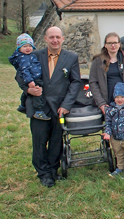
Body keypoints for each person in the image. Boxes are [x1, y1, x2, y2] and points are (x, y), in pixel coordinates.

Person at [16, 26, 82, 187]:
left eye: (58, 37)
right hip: (39, 106)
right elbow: (20, 74)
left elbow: (75, 82)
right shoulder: (34, 56)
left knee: (56, 141)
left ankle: (53, 170)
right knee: (39, 141)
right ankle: (43, 173)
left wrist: (67, 104)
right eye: (51, 37)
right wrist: (28, 89)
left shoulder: (71, 57)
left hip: (59, 108)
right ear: (45, 39)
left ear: (63, 39)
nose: (55, 40)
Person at [89, 32, 124, 114]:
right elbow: (93, 83)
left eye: (115, 43)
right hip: (106, 100)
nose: (113, 45)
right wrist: (101, 103)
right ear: (105, 45)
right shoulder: (97, 61)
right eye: (110, 43)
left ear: (119, 44)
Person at [9, 33, 49, 120]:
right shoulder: (23, 58)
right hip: (32, 79)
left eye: (30, 46)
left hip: (33, 77)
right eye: (24, 46)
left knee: (26, 94)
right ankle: (38, 111)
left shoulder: (29, 56)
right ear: (19, 48)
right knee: (38, 93)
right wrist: (30, 81)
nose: (28, 48)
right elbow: (24, 70)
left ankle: (22, 105)